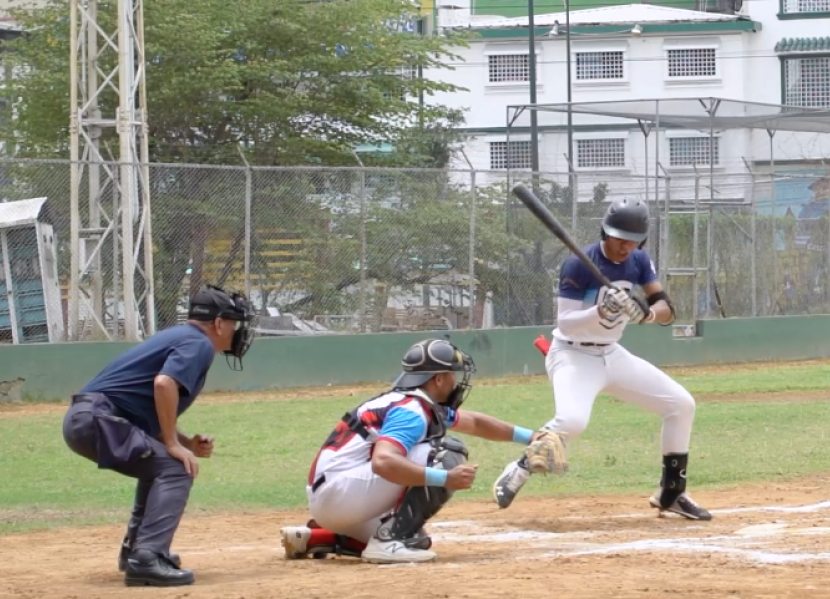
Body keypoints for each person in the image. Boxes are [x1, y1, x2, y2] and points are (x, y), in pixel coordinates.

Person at [492, 198, 713, 521]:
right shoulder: (578, 264)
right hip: (572, 354)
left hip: (612, 353)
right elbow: (565, 322)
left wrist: (646, 314)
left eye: (632, 240)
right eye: (619, 238)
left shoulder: (638, 261)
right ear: (605, 233)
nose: (625, 246)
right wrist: (601, 310)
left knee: (681, 404)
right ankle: (520, 468)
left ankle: (672, 492)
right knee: (572, 422)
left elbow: (666, 308)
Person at [279, 338, 558, 564]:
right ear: (437, 379)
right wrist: (444, 479)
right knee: (446, 453)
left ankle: (317, 536)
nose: (455, 381)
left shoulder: (412, 402)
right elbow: (383, 462)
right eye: (451, 374)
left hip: (334, 496)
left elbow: (475, 422)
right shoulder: (412, 411)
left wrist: (532, 436)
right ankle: (389, 542)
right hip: (341, 494)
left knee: (418, 540)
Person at [61, 285, 257, 587]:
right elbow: (164, 384)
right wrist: (171, 444)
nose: (236, 331)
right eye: (233, 323)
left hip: (90, 418)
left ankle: (137, 551)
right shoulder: (199, 344)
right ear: (218, 323)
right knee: (177, 467)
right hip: (98, 419)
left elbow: (148, 407)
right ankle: (147, 557)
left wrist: (182, 441)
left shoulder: (183, 337)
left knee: (163, 461)